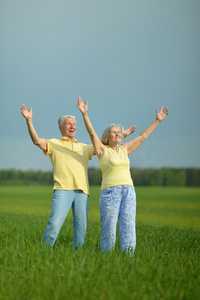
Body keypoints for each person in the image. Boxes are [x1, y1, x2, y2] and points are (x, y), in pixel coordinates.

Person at [21, 104, 135, 249]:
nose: (72, 126)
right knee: (54, 225)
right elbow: (37, 141)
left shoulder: (84, 147)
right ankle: (43, 252)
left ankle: (75, 258)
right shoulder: (54, 144)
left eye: (74, 124)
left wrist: (121, 135)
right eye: (69, 124)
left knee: (81, 233)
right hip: (63, 190)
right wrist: (29, 121)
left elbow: (103, 146)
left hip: (82, 192)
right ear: (61, 128)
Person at [77, 97, 169, 254]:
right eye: (114, 132)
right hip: (110, 193)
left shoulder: (125, 148)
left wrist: (157, 121)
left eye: (119, 132)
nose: (118, 133)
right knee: (109, 228)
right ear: (107, 137)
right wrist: (85, 114)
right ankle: (107, 257)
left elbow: (142, 136)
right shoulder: (102, 150)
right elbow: (92, 133)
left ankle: (128, 259)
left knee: (128, 226)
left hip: (129, 191)